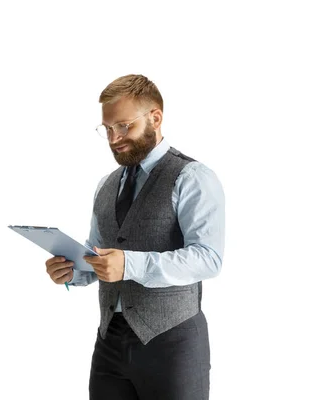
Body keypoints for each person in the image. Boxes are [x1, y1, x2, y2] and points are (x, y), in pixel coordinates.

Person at [45, 74, 225, 400]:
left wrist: (130, 264)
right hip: (109, 341)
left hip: (173, 340)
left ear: (155, 117)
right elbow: (98, 255)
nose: (114, 138)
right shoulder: (106, 184)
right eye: (108, 129)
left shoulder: (192, 177)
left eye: (124, 126)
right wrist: (73, 271)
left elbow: (208, 258)